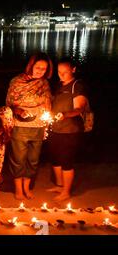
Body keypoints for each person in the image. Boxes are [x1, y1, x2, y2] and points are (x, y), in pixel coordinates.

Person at [6, 52, 52, 200]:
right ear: (31, 66)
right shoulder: (16, 82)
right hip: (20, 126)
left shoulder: (44, 83)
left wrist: (48, 119)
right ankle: (18, 189)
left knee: (33, 159)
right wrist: (18, 110)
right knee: (18, 159)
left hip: (38, 126)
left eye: (44, 69)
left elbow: (47, 102)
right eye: (38, 67)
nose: (40, 71)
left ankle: (27, 187)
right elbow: (10, 103)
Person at [47, 58, 88, 201]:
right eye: (59, 72)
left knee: (66, 161)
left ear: (73, 69)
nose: (61, 75)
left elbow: (80, 108)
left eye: (65, 72)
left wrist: (65, 114)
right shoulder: (58, 85)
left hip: (70, 131)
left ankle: (66, 191)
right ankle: (59, 185)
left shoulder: (77, 85)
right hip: (55, 128)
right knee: (55, 159)